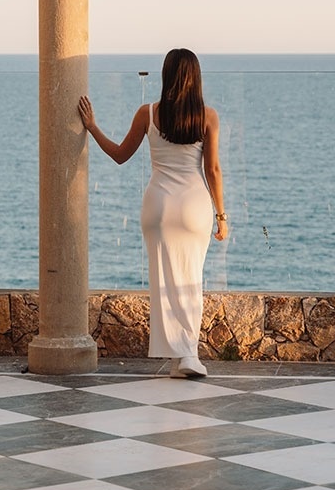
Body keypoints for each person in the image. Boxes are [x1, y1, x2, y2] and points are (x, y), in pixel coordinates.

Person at [78, 48, 228, 378]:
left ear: (166, 76)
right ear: (196, 77)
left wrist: (92, 126)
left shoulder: (147, 114)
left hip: (158, 206)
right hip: (194, 208)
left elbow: (119, 155)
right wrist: (221, 216)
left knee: (164, 281)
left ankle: (179, 357)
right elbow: (213, 169)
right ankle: (188, 354)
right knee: (191, 280)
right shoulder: (208, 116)